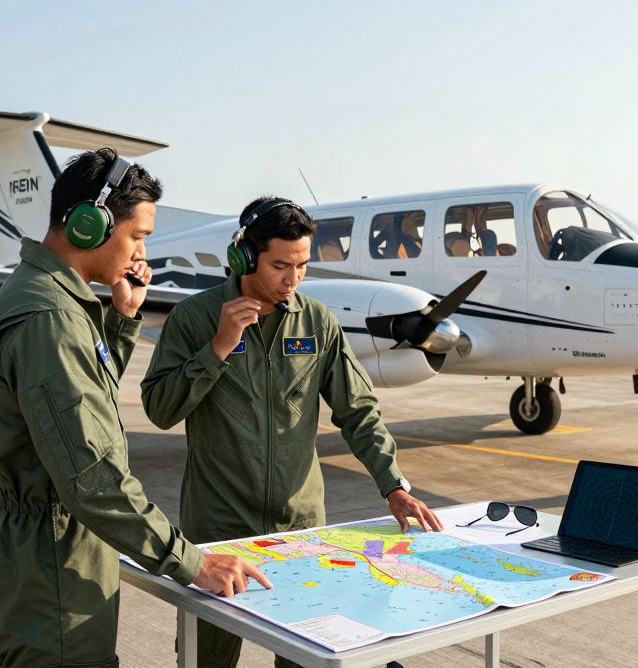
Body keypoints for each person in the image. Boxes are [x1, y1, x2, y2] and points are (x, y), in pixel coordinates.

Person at [0, 148, 269, 668]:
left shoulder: (45, 298)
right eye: (139, 235)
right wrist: (190, 562)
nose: (141, 253)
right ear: (88, 225)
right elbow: (92, 475)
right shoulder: (50, 320)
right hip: (55, 570)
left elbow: (80, 402)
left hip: (41, 559)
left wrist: (122, 319)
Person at [141, 195, 443, 668]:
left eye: (302, 265)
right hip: (221, 531)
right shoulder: (195, 319)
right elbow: (159, 409)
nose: (293, 279)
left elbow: (358, 410)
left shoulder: (317, 323)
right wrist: (218, 348)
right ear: (244, 257)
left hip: (301, 529)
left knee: (306, 655)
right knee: (209, 657)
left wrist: (394, 485)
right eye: (281, 265)